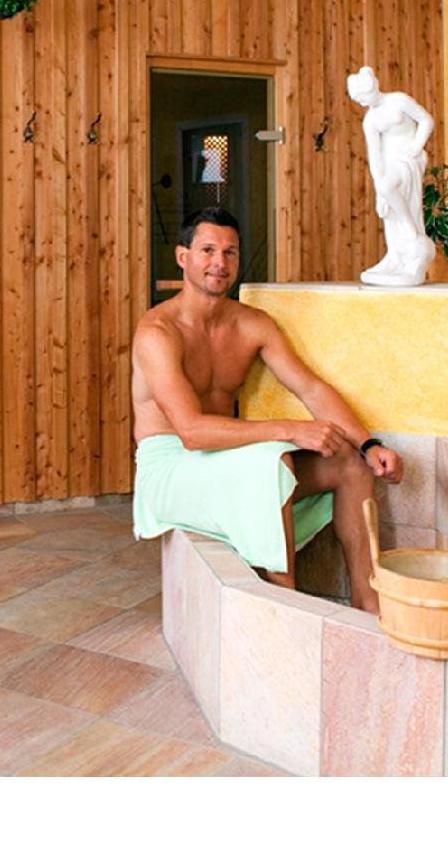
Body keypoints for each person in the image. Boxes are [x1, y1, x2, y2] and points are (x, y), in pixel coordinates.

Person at [131, 207, 402, 611]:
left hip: (223, 457)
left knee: (350, 463)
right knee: (271, 464)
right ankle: (285, 611)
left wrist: (369, 445)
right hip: (170, 467)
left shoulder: (251, 324)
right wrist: (290, 430)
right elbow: (191, 432)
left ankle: (369, 608)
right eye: (208, 250)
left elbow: (310, 388)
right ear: (182, 256)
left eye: (230, 252)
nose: (220, 263)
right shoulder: (159, 332)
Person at [346, 65, 435, 286]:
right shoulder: (370, 120)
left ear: (373, 87)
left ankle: (410, 228)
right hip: (390, 163)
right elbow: (375, 156)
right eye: (358, 100)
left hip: (410, 159)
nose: (362, 102)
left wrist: (416, 146)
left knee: (388, 189)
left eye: (363, 96)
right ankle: (395, 257)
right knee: (386, 195)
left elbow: (426, 120)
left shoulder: (399, 100)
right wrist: (379, 192)